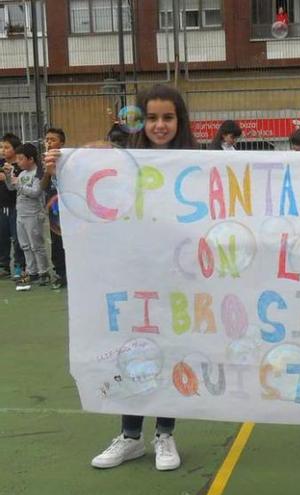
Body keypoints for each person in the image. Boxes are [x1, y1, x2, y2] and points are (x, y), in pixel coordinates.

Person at [45, 84, 196, 472]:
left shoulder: (197, 163)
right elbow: (89, 204)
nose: (159, 125)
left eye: (168, 117)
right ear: (138, 122)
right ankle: (130, 437)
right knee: (132, 350)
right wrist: (58, 172)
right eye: (151, 117)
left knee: (168, 350)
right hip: (131, 274)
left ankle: (165, 434)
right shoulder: (121, 162)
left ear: (180, 122)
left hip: (177, 278)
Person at [2, 143, 49, 290]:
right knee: (25, 245)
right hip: (20, 214)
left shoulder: (37, 174)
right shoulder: (22, 174)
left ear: (31, 159)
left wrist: (18, 185)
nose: (19, 162)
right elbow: (11, 187)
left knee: (37, 245)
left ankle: (43, 272)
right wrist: (10, 177)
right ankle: (32, 271)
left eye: (21, 159)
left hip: (33, 214)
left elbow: (36, 192)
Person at [40, 128, 67, 289]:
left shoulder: (67, 159)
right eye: (47, 140)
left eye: (53, 139)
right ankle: (59, 273)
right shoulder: (45, 160)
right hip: (54, 207)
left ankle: (72, 272)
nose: (49, 142)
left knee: (68, 241)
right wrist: (48, 172)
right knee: (56, 242)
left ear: (62, 143)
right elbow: (43, 186)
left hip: (68, 206)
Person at [0, 132, 26, 280]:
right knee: (2, 237)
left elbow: (20, 184)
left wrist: (7, 178)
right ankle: (3, 266)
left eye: (6, 147)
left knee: (17, 239)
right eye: (1, 147)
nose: (3, 150)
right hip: (1, 207)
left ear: (15, 149)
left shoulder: (19, 166)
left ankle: (19, 266)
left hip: (16, 207)